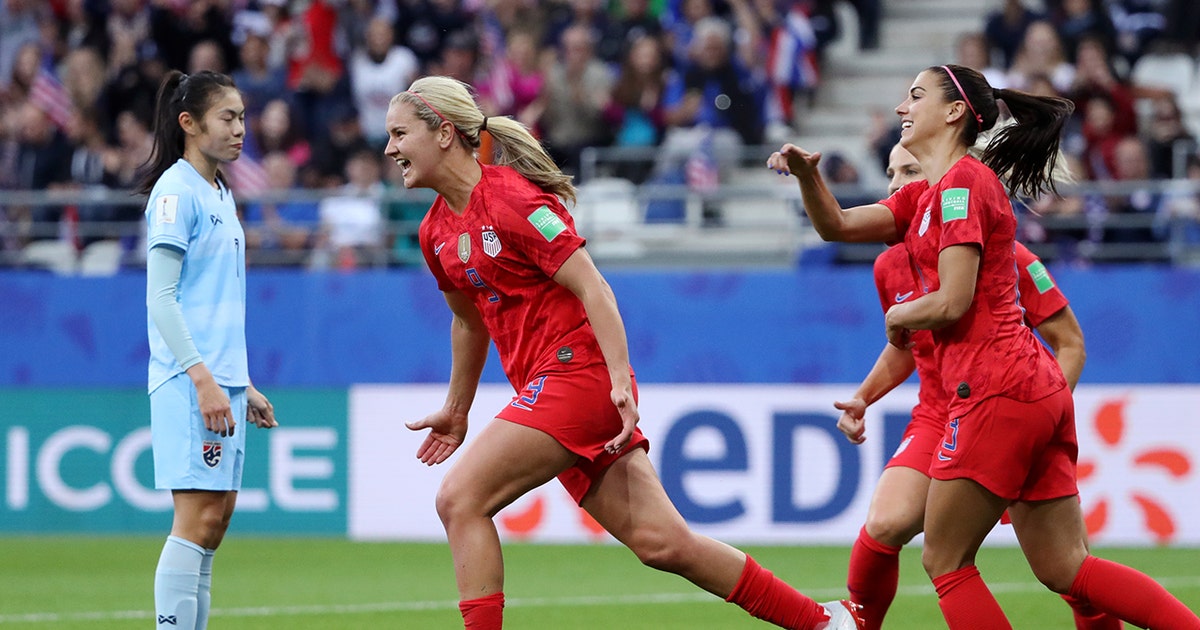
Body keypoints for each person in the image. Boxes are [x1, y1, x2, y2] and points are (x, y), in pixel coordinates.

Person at [385, 75, 865, 630]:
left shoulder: (514, 200)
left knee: (459, 500)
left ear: (444, 133)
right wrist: (457, 407)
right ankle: (826, 624)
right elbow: (469, 322)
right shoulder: (434, 231)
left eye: (400, 133)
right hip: (554, 388)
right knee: (664, 543)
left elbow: (594, 287)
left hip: (578, 378)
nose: (390, 148)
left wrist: (616, 382)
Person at [767, 64, 1200, 628]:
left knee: (945, 559)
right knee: (1066, 568)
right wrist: (806, 176)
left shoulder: (965, 184)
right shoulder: (926, 195)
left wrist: (900, 314)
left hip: (994, 386)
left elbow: (952, 301)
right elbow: (838, 226)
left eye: (915, 95)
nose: (902, 108)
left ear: (953, 112)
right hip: (1025, 386)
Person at [837, 142, 1115, 630]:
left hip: (1003, 405)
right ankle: (857, 624)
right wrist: (864, 396)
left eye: (910, 170)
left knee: (1068, 574)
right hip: (939, 413)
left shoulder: (1010, 257)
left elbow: (1069, 344)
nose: (897, 184)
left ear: (937, 182)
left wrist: (1028, 428)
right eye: (890, 173)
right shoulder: (889, 265)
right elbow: (907, 346)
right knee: (885, 523)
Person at [136, 70, 278, 630]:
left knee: (213, 526)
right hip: (189, 381)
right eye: (228, 117)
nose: (241, 128)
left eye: (243, 117)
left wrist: (241, 383)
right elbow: (161, 298)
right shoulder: (175, 192)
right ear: (189, 124)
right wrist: (202, 379)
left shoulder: (220, 192)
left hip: (220, 381)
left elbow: (211, 300)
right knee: (194, 522)